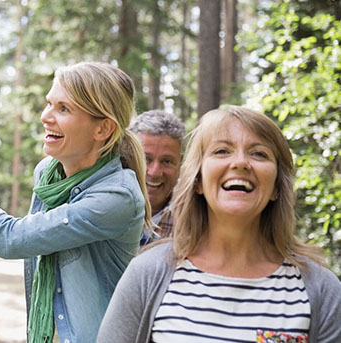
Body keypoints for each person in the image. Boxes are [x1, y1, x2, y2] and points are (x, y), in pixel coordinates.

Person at [0, 61, 152, 343]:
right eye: (49, 103)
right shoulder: (48, 174)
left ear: (103, 129)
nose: (46, 116)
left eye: (64, 109)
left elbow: (12, 238)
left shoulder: (116, 197)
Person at [97, 106, 341, 343]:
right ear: (198, 181)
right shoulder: (148, 274)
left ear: (277, 187)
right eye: (222, 151)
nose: (240, 163)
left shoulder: (321, 289)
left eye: (259, 153)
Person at [129, 110, 184, 246]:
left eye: (167, 161)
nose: (154, 172)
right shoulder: (101, 204)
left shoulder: (194, 216)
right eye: (145, 159)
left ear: (180, 164)